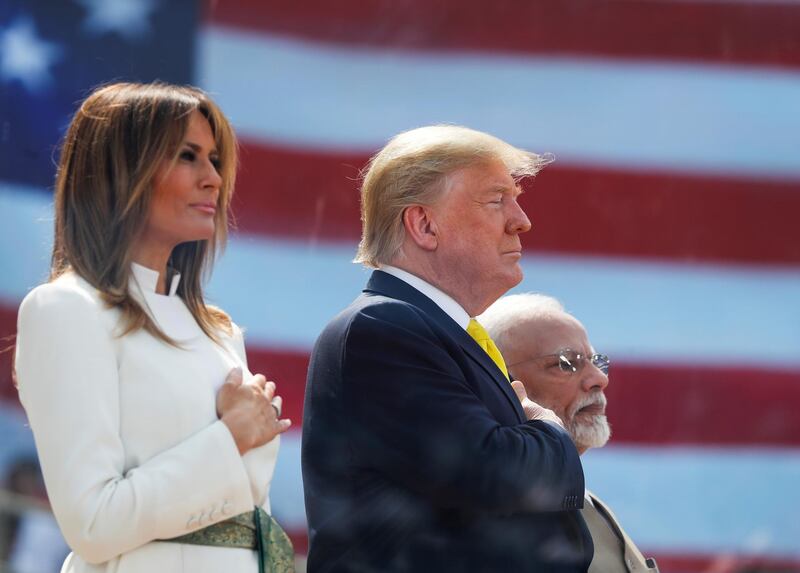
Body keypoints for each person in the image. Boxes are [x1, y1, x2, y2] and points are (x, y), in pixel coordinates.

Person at [14, 82, 294, 573]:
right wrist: (231, 438)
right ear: (120, 173)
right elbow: (94, 525)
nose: (213, 178)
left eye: (214, 160)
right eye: (187, 156)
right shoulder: (65, 309)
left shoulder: (219, 332)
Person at [302, 125, 591, 573]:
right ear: (424, 225)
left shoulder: (430, 330)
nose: (521, 220)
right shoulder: (382, 328)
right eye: (496, 200)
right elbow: (498, 477)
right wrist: (551, 429)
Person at [480, 293, 659, 573]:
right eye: (566, 363)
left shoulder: (589, 502)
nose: (600, 379)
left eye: (595, 360)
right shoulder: (480, 515)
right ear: (500, 384)